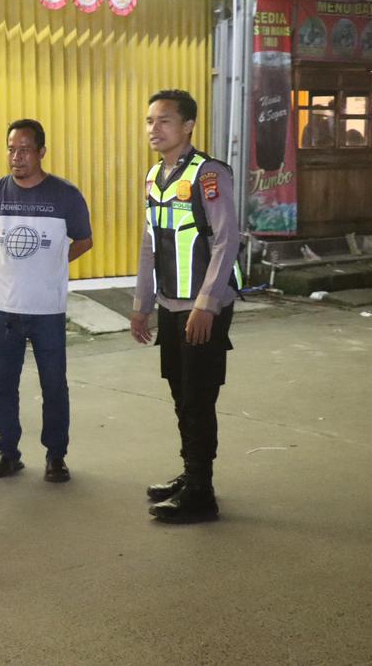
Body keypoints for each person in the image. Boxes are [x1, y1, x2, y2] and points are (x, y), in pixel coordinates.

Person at [130, 89, 242, 524]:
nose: (154, 129)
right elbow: (149, 244)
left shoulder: (208, 174)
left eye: (164, 120)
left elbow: (226, 240)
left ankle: (202, 493)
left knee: (198, 396)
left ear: (189, 126)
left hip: (201, 308)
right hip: (170, 304)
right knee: (180, 392)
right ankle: (191, 474)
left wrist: (206, 305)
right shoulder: (154, 176)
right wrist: (141, 304)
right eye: (149, 121)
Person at [0, 119, 92, 484]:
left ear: (41, 152)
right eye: (11, 149)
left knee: (53, 385)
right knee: (3, 386)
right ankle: (8, 452)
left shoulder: (65, 194)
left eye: (25, 150)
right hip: (3, 307)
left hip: (47, 309)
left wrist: (53, 263)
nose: (16, 157)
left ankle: (56, 456)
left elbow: (84, 240)